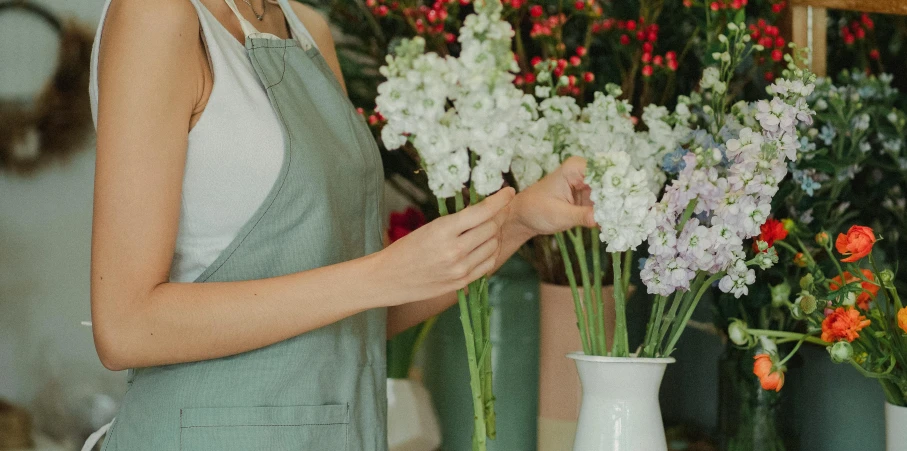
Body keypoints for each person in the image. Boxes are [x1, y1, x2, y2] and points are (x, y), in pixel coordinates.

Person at [88, 0, 596, 448]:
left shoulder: (308, 31)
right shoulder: (158, 15)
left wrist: (518, 220)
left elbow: (360, 312)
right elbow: (127, 327)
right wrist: (378, 275)